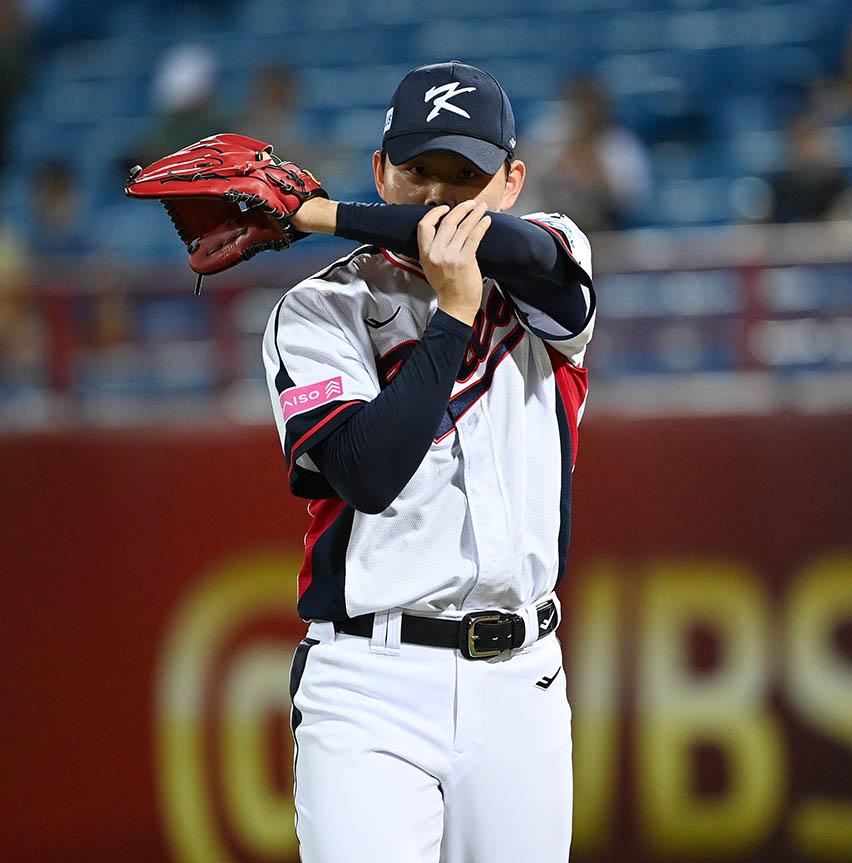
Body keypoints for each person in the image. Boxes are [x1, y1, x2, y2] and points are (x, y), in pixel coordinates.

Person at [262, 61, 594, 862]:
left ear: (511, 182)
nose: (442, 196)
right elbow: (369, 474)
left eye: (466, 175)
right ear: (382, 171)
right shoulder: (317, 310)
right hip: (371, 686)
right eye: (419, 173)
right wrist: (451, 315)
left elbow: (536, 266)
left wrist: (324, 214)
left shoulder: (553, 261)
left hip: (522, 680)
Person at [519, 74, 651, 232]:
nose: (585, 111)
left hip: (607, 230)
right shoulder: (546, 134)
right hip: (549, 225)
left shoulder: (620, 145)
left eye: (590, 105)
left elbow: (629, 202)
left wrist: (588, 164)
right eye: (578, 104)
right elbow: (524, 180)